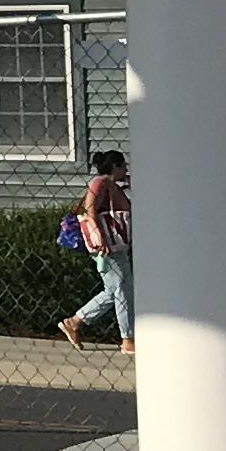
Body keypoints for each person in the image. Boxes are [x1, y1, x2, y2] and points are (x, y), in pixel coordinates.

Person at [59, 149, 134, 349]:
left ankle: (74, 322)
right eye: (123, 166)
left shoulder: (113, 185)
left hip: (117, 245)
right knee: (120, 289)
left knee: (117, 290)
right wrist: (98, 234)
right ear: (115, 167)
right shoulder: (99, 182)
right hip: (107, 246)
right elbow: (90, 208)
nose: (126, 169)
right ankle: (127, 339)